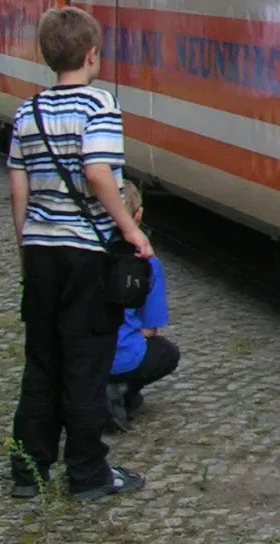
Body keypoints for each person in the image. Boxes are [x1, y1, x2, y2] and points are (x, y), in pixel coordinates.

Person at [6, 6, 151, 502]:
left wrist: (26, 243)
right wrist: (131, 229)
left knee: (42, 361)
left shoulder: (28, 112)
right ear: (92, 55)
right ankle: (88, 473)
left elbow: (17, 186)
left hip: (41, 252)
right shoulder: (99, 106)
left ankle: (28, 468)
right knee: (87, 362)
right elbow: (97, 173)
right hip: (86, 255)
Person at [106, 181, 179, 432]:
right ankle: (122, 389)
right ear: (138, 215)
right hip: (124, 357)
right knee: (166, 352)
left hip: (83, 356)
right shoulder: (148, 264)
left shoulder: (87, 254)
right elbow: (150, 329)